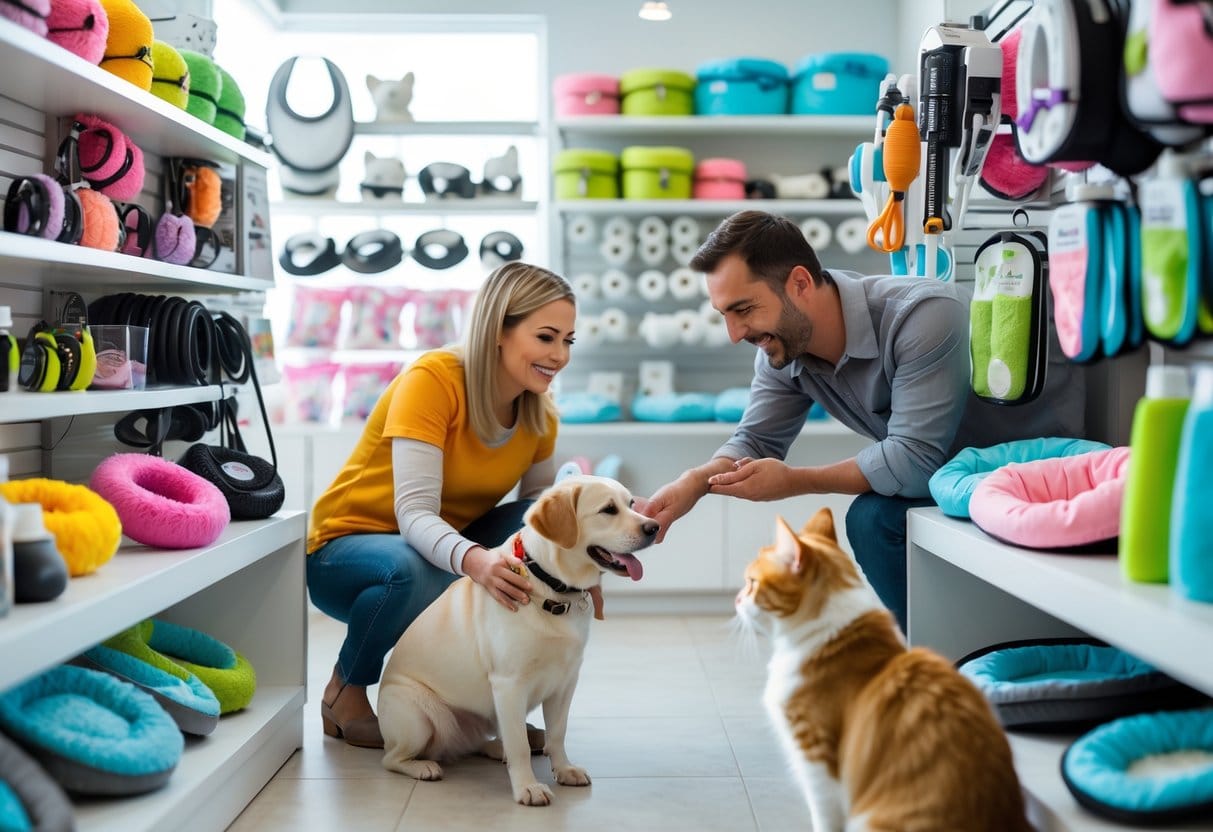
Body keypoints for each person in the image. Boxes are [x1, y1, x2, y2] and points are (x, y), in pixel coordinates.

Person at [636, 210, 1083, 631]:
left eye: (745, 310)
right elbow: (754, 440)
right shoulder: (782, 354)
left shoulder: (924, 315)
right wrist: (692, 484)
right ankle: (937, 656)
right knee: (872, 518)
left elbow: (912, 461)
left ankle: (947, 665)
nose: (735, 335)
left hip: (1035, 474)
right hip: (950, 479)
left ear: (798, 284)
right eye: (725, 316)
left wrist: (795, 481)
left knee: (871, 519)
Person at [305, 262, 576, 748]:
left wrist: (574, 568)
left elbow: (537, 516)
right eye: (546, 337)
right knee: (410, 568)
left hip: (437, 547)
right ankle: (345, 689)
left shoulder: (540, 413)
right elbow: (414, 515)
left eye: (568, 341)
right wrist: (477, 561)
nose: (559, 355)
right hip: (344, 552)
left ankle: (485, 708)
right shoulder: (434, 379)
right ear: (499, 330)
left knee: (539, 532)